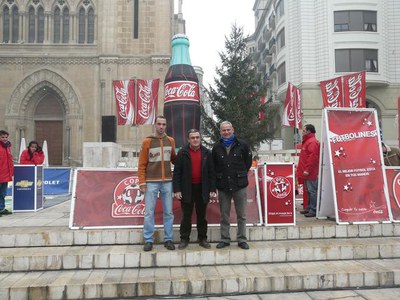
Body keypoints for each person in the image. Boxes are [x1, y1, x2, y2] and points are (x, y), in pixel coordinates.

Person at [138, 115, 177, 252]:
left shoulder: (170, 141)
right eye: (159, 124)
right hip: (151, 182)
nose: (161, 126)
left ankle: (168, 239)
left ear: (166, 126)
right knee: (149, 212)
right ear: (155, 125)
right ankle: (148, 240)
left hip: (167, 181)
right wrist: (142, 182)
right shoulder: (147, 142)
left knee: (168, 212)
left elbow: (174, 159)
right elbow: (142, 164)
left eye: (164, 124)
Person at [173, 129, 216, 249]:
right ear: (188, 139)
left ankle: (202, 238)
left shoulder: (207, 153)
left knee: (202, 215)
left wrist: (212, 189)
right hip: (187, 189)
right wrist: (177, 190)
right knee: (186, 216)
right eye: (192, 138)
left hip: (203, 189)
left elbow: (211, 172)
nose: (195, 140)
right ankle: (184, 239)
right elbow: (177, 173)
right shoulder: (182, 153)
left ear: (200, 138)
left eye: (197, 137)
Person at [212, 121, 252, 250]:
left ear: (233, 130)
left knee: (242, 214)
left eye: (228, 130)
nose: (226, 132)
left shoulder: (242, 145)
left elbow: (248, 162)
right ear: (220, 132)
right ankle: (225, 239)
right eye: (224, 130)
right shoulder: (216, 147)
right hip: (223, 185)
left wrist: (240, 174)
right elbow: (214, 166)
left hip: (239, 184)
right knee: (224, 214)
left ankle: (242, 239)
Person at [297, 124, 320, 218]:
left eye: (304, 130)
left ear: (309, 131)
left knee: (312, 190)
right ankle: (309, 207)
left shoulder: (312, 142)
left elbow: (312, 158)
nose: (302, 132)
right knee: (309, 190)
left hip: (311, 172)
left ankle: (313, 209)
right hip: (306, 171)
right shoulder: (308, 142)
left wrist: (307, 170)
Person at [0, 130, 14, 216]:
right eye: (2, 137)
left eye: (6, 137)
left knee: (3, 193)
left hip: (5, 174)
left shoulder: (7, 147)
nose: (4, 139)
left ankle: (1, 208)